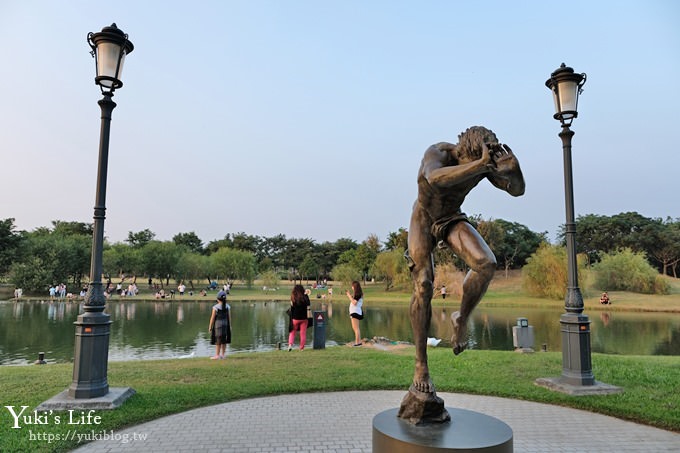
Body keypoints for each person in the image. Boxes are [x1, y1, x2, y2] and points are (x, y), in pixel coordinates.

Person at [406, 126, 525, 393]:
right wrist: (480, 165)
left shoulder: (482, 165)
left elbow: (517, 191)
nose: (478, 169)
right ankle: (420, 364)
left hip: (452, 219)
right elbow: (435, 178)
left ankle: (461, 318)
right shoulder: (438, 152)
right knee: (424, 284)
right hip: (424, 218)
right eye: (471, 164)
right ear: (463, 153)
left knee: (487, 264)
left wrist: (514, 172)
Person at [208, 290, 231, 359]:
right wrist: (230, 326)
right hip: (226, 325)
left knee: (218, 340)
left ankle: (217, 355)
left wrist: (210, 327)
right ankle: (223, 355)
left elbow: (212, 318)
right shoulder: (228, 306)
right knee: (224, 340)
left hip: (218, 325)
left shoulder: (215, 307)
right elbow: (229, 317)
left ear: (218, 299)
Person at [287, 284, 311, 351]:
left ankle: (290, 345)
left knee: (292, 332)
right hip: (304, 318)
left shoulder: (293, 298)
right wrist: (306, 295)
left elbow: (292, 308)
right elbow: (309, 304)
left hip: (295, 318)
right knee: (303, 333)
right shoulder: (305, 298)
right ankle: (301, 348)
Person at [345, 281, 364, 346]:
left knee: (356, 328)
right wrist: (350, 295)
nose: (352, 287)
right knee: (356, 328)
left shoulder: (358, 294)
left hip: (355, 312)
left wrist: (349, 296)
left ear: (355, 287)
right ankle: (359, 341)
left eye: (352, 286)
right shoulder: (357, 294)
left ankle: (357, 342)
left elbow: (354, 302)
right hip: (355, 311)